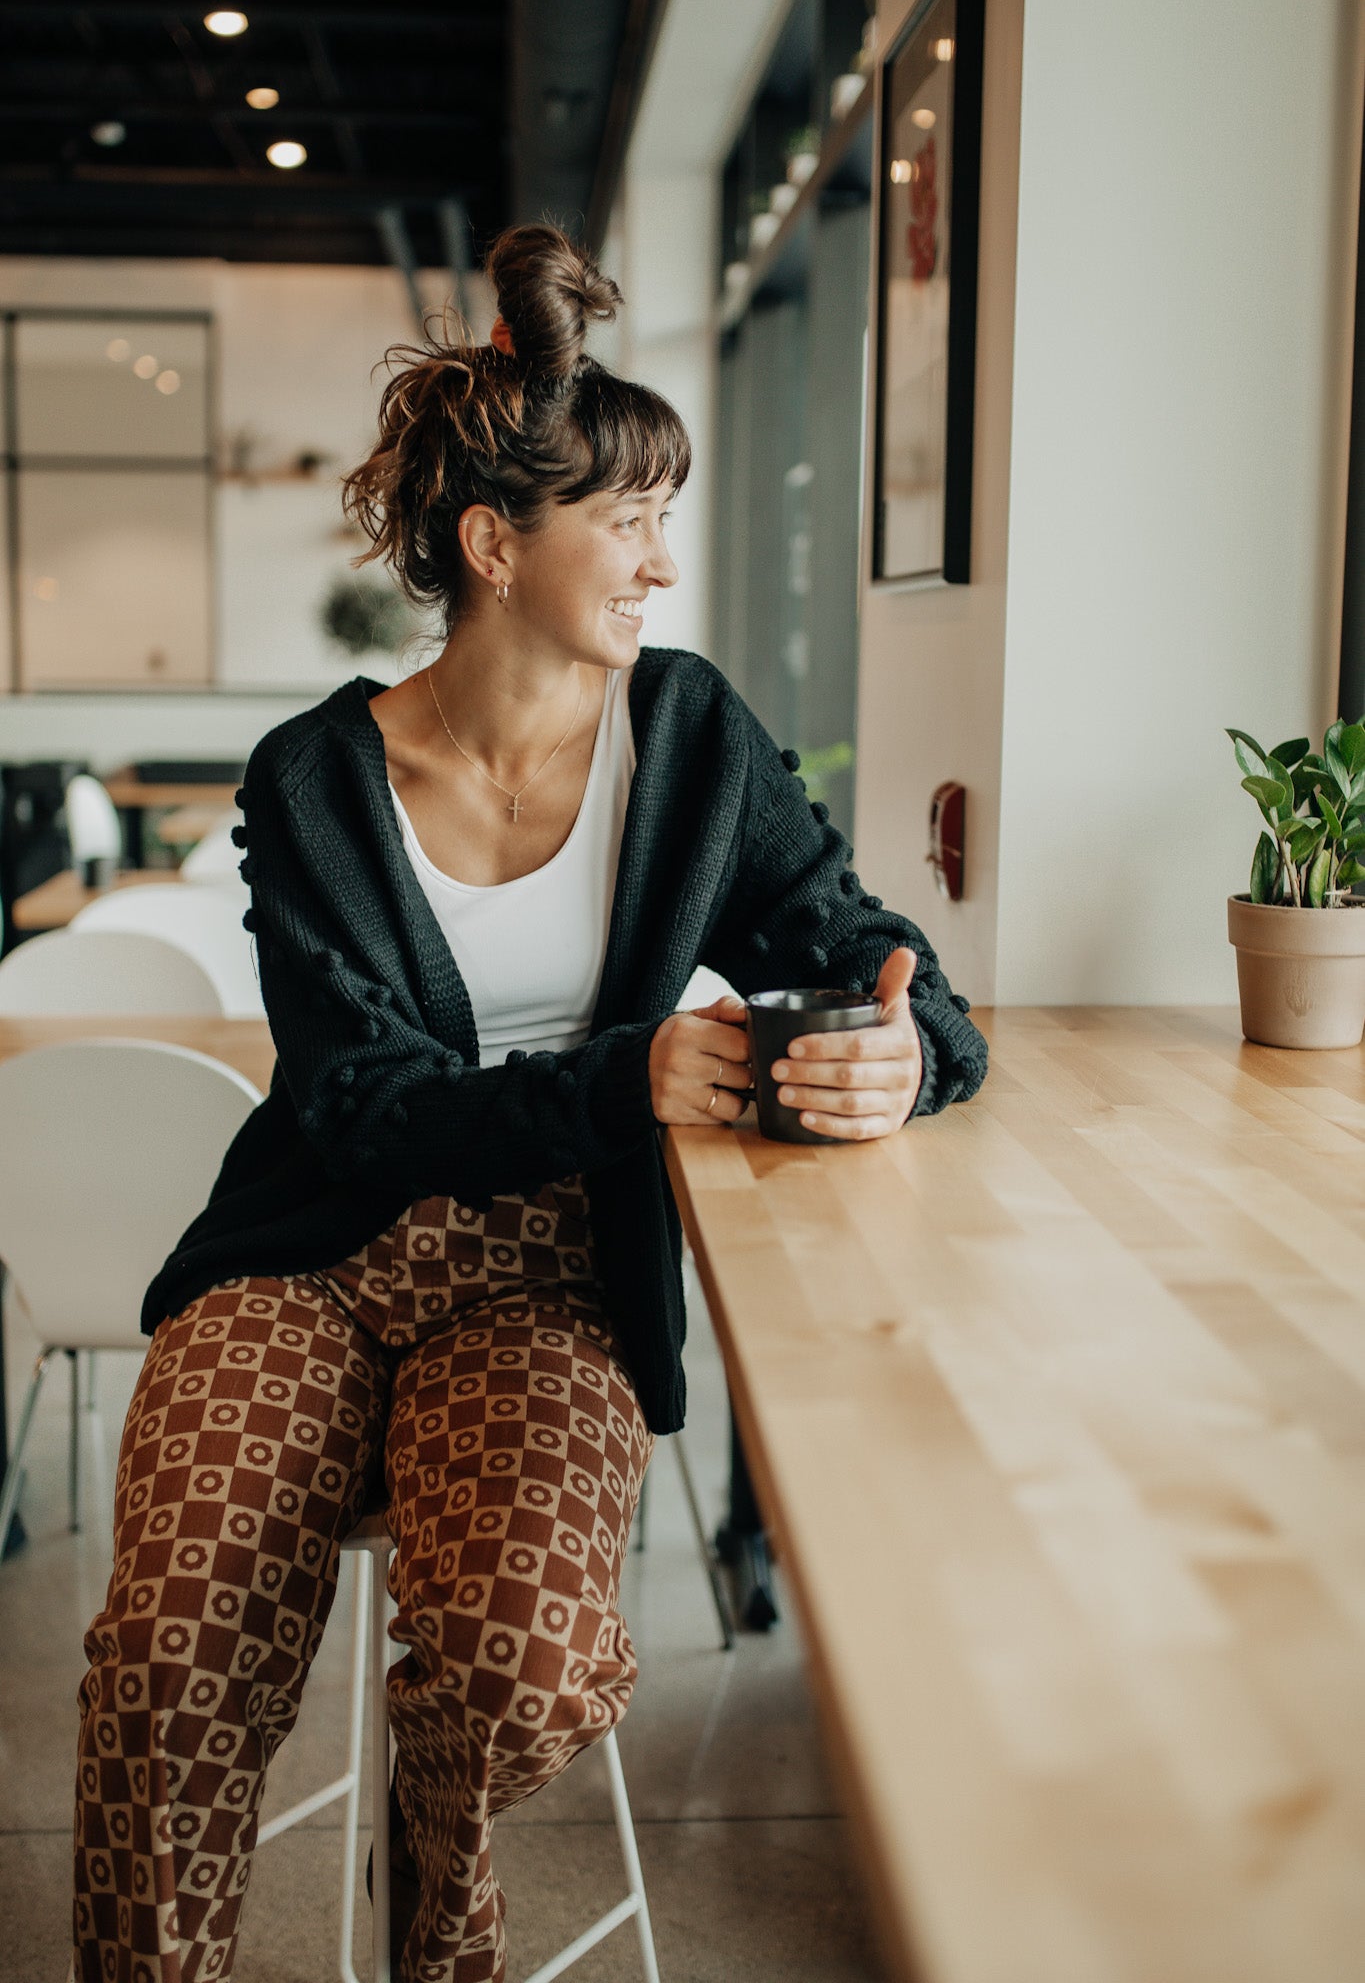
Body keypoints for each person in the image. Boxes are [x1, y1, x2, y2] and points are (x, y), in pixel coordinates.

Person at [71, 221, 988, 1983]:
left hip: (547, 1277)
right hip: (307, 1259)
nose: (660, 562)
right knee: (169, 1650)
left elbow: (874, 951)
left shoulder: (693, 740)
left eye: (662, 517)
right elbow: (353, 1102)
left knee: (528, 1664)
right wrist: (616, 1081)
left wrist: (908, 1054)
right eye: (626, 522)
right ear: (496, 546)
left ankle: (440, 1882)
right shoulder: (318, 777)